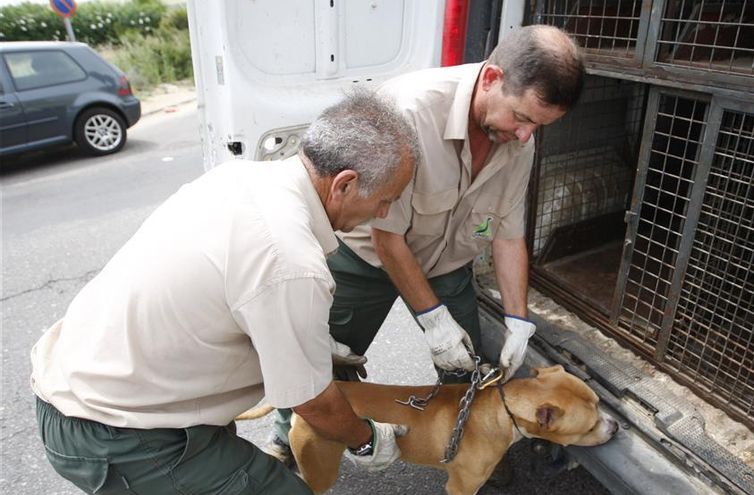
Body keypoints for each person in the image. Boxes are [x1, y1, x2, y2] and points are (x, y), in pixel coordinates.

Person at [31, 91, 419, 495]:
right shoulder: (290, 260)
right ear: (345, 184)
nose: (384, 215)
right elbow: (312, 403)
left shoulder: (238, 177)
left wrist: (312, 344)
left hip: (77, 384)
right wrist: (368, 439)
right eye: (385, 200)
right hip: (114, 431)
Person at [268, 25, 585, 474]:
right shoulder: (411, 113)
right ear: (492, 78)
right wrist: (433, 322)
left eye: (539, 125)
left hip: (446, 262)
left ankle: (472, 455)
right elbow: (387, 237)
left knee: (469, 369)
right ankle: (289, 440)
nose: (526, 135)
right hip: (368, 257)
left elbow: (508, 234)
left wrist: (519, 320)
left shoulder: (519, 140)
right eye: (522, 117)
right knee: (325, 359)